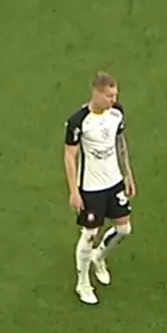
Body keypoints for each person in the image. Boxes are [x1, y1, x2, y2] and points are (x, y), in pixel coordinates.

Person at [64, 72, 137, 306]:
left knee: (124, 229)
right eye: (108, 96)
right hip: (91, 187)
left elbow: (120, 143)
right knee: (89, 233)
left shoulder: (116, 113)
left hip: (114, 182)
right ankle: (83, 283)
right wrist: (74, 191)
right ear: (95, 93)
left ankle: (99, 256)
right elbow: (70, 156)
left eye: (115, 95)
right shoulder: (78, 121)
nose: (113, 100)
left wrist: (128, 175)